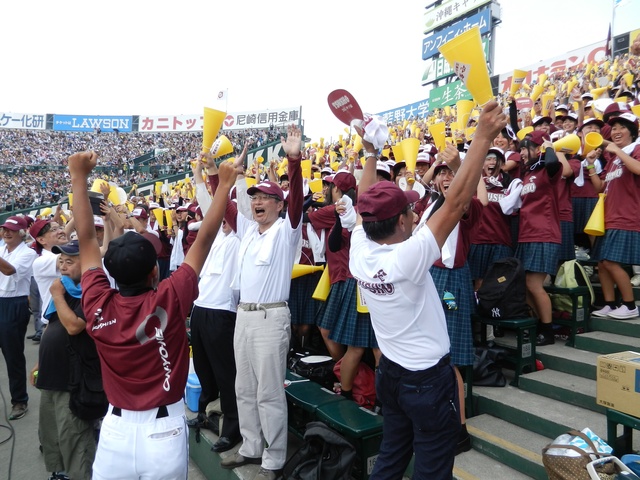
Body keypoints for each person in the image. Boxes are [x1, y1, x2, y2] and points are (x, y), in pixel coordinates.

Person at [349, 101, 507, 479]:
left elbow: (363, 203)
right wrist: (482, 138)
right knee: (434, 469)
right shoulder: (408, 257)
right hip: (426, 380)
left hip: (392, 373)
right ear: (402, 222)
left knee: (391, 457)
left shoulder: (361, 251)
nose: (415, 213)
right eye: (409, 211)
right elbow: (455, 203)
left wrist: (370, 153)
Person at [69, 149, 241, 480]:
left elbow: (87, 239)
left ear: (111, 273)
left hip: (115, 432)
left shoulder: (97, 302)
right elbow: (205, 238)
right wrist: (223, 186)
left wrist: (78, 177)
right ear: (154, 273)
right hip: (165, 432)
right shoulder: (170, 295)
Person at [220, 125, 303, 480]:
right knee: (244, 387)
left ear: (278, 204)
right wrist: (225, 175)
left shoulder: (287, 230)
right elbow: (225, 208)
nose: (256, 202)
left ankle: (274, 457)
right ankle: (251, 445)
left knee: (269, 392)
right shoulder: (250, 232)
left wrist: (294, 160)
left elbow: (298, 202)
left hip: (271, 318)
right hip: (244, 317)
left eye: (264, 197)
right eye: (253, 197)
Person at [188, 153, 242, 453]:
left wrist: (212, 175)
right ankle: (207, 414)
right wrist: (201, 174)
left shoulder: (241, 235)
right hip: (200, 310)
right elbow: (209, 205)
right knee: (204, 369)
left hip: (223, 313)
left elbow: (219, 206)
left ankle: (232, 429)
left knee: (226, 374)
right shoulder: (219, 235)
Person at [31, 240, 97, 480]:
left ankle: (78, 475)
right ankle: (59, 473)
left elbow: (73, 326)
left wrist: (57, 294)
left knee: (74, 435)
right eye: (61, 261)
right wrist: (40, 361)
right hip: (51, 372)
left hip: (73, 376)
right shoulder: (63, 287)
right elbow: (52, 325)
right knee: (52, 431)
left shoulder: (89, 291)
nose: (63, 266)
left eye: (70, 261)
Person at [589, 113, 640, 319]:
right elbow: (601, 187)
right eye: (614, 128)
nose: (616, 132)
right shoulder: (612, 159)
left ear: (633, 132)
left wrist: (617, 150)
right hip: (608, 217)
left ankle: (629, 306)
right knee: (602, 263)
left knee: (610, 262)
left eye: (622, 128)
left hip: (627, 215)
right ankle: (610, 304)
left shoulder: (635, 150)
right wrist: (591, 165)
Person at [0, 215, 38, 420]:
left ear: (22, 233)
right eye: (5, 229)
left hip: (14, 303)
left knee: (13, 355)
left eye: (11, 230)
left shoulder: (28, 253)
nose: (6, 233)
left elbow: (9, 270)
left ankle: (19, 400)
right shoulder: (2, 248)